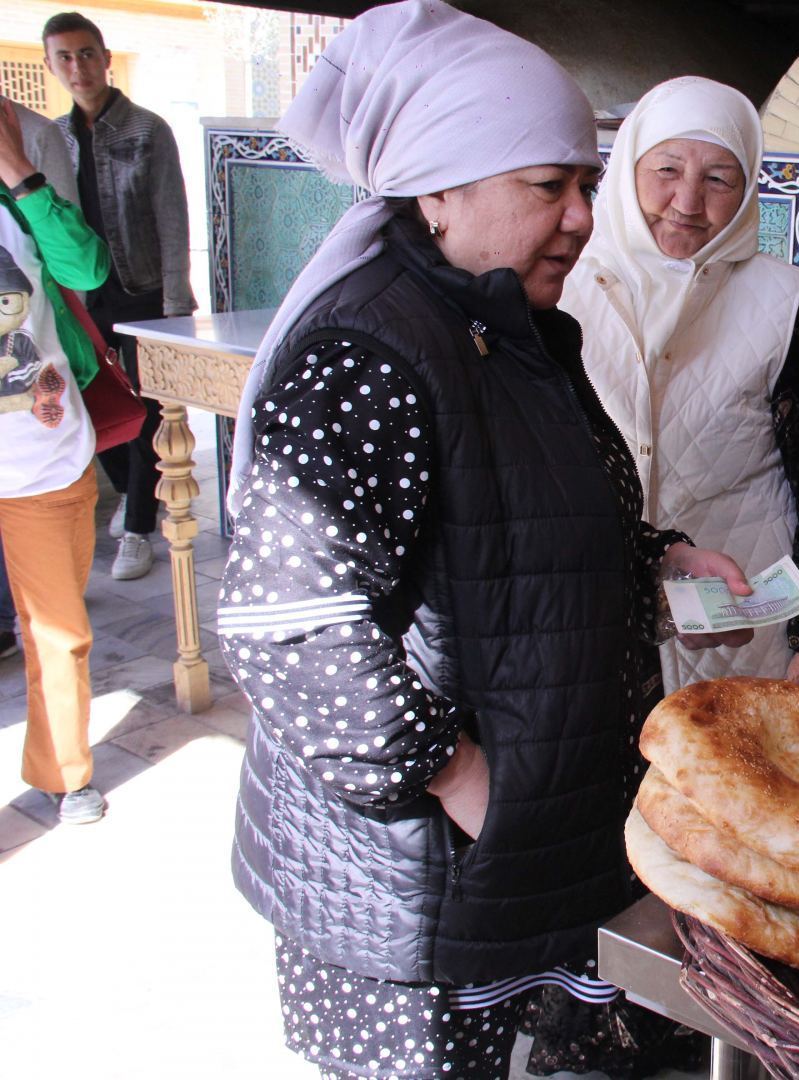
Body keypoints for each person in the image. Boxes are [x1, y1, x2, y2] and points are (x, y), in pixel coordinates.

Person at [219, 4, 750, 1076]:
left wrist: (656, 558)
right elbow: (292, 630)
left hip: (515, 853)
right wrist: (459, 778)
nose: (581, 220)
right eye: (547, 187)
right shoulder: (370, 349)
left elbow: (515, 521)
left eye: (586, 186)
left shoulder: (497, 325)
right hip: (416, 890)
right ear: (439, 190)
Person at [563, 76, 799, 691]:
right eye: (666, 170)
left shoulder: (778, 301)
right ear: (626, 172)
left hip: (739, 630)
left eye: (719, 179)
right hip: (589, 618)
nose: (687, 202)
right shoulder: (561, 281)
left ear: (749, 186)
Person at [44, 10, 196, 581]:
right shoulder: (51, 137)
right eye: (65, 56)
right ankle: (138, 496)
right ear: (51, 66)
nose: (78, 66)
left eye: (87, 53)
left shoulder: (146, 130)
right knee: (94, 400)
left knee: (147, 408)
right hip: (80, 294)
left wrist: (177, 304)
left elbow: (172, 218)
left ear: (106, 58)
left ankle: (136, 528)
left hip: (142, 291)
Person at [0, 95, 112, 824]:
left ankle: (63, 771)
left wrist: (16, 168)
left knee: (57, 630)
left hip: (37, 457)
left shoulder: (19, 196)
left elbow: (87, 268)